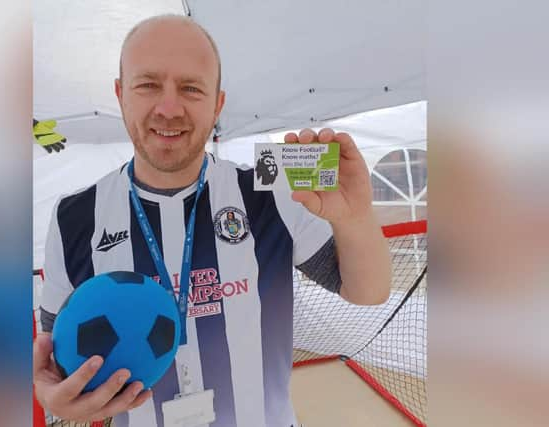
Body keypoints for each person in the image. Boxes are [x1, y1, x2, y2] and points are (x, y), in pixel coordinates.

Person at [33, 14, 391, 427]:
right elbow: (54, 354)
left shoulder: (271, 189)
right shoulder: (73, 216)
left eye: (191, 88)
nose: (169, 108)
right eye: (148, 84)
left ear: (218, 103)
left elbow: (368, 291)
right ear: (120, 94)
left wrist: (356, 218)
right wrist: (51, 394)